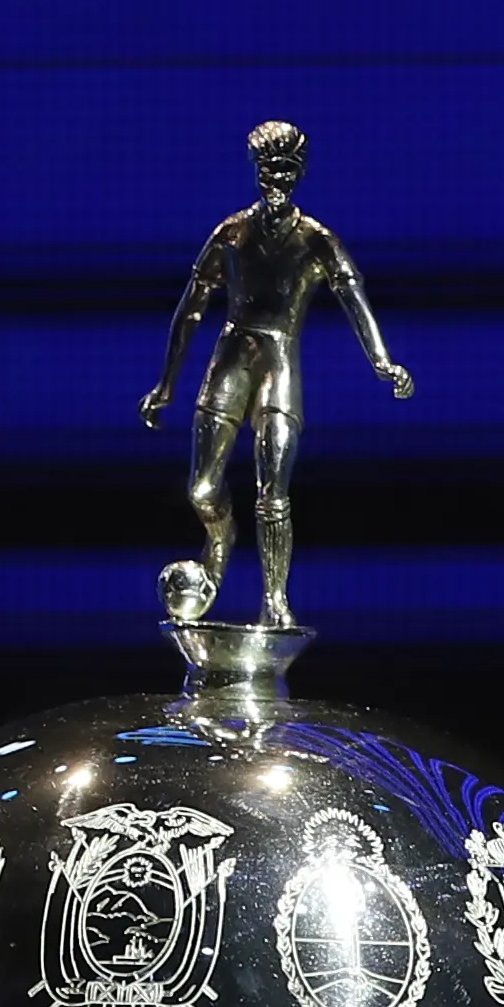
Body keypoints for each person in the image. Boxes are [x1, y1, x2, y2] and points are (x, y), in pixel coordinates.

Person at [140, 121, 412, 628]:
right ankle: (219, 542)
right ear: (257, 171)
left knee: (273, 493)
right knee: (201, 491)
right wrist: (167, 385)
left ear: (299, 174)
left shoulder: (315, 240)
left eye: (286, 169)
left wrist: (381, 360)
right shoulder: (231, 234)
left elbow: (352, 297)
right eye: (269, 168)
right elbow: (191, 309)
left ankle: (275, 600)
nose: (276, 178)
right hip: (230, 358)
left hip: (279, 364)